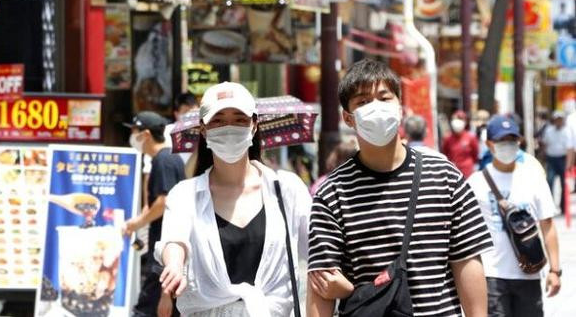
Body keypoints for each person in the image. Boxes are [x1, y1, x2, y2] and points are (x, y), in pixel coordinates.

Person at [307, 59, 491, 317]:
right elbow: (320, 284)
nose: (376, 107)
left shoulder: (445, 176)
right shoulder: (332, 194)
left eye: (384, 98)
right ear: (348, 118)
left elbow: (467, 260)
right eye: (363, 102)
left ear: (400, 108)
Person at [157, 82, 311, 317]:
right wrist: (174, 265)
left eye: (239, 119)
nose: (229, 128)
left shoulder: (287, 189)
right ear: (203, 129)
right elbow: (174, 240)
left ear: (254, 125)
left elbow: (319, 254)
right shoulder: (185, 194)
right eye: (218, 120)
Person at [467, 116, 561, 316]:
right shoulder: (476, 182)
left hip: (529, 272)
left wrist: (555, 270)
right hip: (492, 275)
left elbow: (548, 225)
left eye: (512, 141)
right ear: (489, 144)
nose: (508, 146)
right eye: (502, 141)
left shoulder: (533, 177)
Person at [122, 111, 186, 317]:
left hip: (164, 248)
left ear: (146, 135)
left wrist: (137, 223)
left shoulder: (163, 160)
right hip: (170, 249)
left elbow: (163, 201)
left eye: (134, 131)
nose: (132, 137)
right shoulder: (170, 158)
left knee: (145, 309)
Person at [539, 111, 572, 211]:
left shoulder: (567, 131)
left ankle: (563, 206)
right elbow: (544, 144)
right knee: (550, 181)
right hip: (551, 159)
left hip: (562, 159)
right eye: (556, 119)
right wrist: (543, 157)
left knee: (564, 184)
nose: (558, 121)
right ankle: (550, 206)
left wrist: (568, 164)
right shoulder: (549, 130)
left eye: (560, 119)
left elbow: (569, 148)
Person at [442, 110, 480, 178]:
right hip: (453, 172)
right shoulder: (447, 138)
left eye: (460, 119)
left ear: (465, 121)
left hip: (468, 173)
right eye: (455, 119)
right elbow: (445, 154)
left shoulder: (471, 137)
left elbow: (475, 155)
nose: (457, 121)